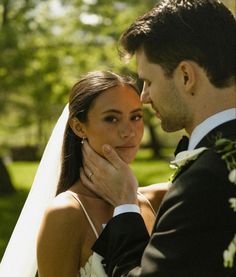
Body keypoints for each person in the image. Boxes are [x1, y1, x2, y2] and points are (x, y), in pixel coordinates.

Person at [80, 1, 236, 276]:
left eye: (149, 82)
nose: (144, 97)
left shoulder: (205, 181)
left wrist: (125, 204)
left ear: (186, 76)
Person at [0, 70, 168, 277]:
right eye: (111, 119)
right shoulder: (65, 213)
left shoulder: (161, 199)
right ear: (79, 127)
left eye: (136, 116)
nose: (129, 131)